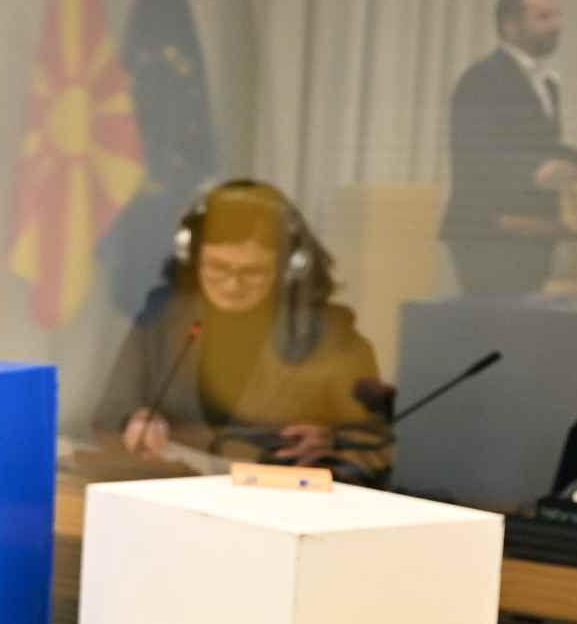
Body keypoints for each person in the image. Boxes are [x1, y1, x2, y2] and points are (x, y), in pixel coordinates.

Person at [94, 178, 393, 483]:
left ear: (289, 268)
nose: (232, 285)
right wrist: (133, 420)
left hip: (279, 502)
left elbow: (376, 447)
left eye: (253, 272)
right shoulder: (161, 322)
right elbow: (110, 413)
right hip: (173, 490)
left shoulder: (331, 337)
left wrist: (335, 447)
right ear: (192, 258)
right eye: (217, 267)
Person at [441, 0, 577, 294]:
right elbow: (475, 150)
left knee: (526, 318)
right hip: (489, 231)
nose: (557, 25)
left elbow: (546, 149)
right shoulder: (482, 77)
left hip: (536, 229)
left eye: (557, 16)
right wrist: (534, 172)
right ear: (510, 26)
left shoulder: (547, 83)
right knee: (495, 321)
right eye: (544, 17)